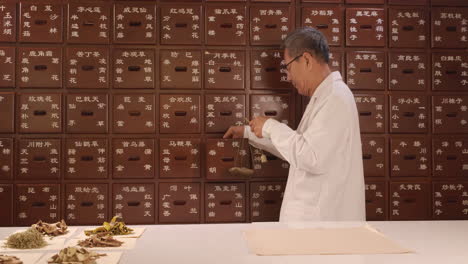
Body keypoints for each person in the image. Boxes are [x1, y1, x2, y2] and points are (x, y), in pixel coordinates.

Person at [223, 27, 366, 221]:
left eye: (288, 67)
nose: (288, 77)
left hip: (322, 225)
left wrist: (271, 127)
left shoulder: (335, 98)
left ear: (306, 60)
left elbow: (310, 157)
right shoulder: (325, 97)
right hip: (316, 224)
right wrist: (249, 133)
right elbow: (296, 149)